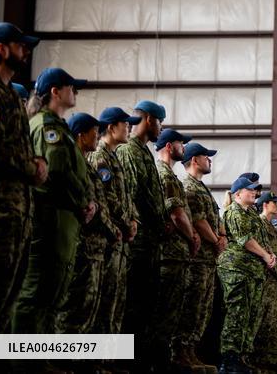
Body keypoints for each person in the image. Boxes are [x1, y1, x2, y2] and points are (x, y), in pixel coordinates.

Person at [0, 22, 46, 333]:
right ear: (1, 49)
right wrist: (34, 167)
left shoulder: (10, 95)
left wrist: (34, 162)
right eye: (19, 45)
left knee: (5, 304)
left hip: (15, 214)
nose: (25, 51)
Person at [13, 68, 96, 334]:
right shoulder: (47, 126)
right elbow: (59, 172)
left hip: (63, 217)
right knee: (37, 291)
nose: (75, 92)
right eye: (71, 87)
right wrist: (84, 201)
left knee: (54, 292)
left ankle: (41, 359)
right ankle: (23, 362)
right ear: (55, 91)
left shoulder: (58, 127)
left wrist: (87, 202)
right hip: (52, 216)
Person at [55, 112, 118, 335]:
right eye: (94, 132)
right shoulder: (78, 164)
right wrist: (114, 231)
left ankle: (81, 362)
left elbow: (100, 204)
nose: (97, 136)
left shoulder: (86, 166)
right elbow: (90, 207)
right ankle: (63, 361)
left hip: (97, 248)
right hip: (83, 246)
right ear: (81, 135)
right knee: (75, 307)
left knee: (90, 310)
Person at [118, 99, 167, 361]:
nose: (161, 128)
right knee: (133, 304)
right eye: (160, 121)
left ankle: (137, 359)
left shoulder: (143, 151)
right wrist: (158, 222)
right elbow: (132, 196)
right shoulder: (130, 151)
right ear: (149, 119)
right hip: (138, 242)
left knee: (145, 304)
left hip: (150, 242)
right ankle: (126, 360)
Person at [89, 106, 139, 335]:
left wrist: (134, 219)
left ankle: (109, 360)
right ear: (110, 127)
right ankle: (97, 361)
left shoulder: (114, 156)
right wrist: (126, 221)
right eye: (125, 124)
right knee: (105, 300)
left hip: (121, 237)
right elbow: (107, 196)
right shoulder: (100, 156)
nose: (129, 128)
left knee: (117, 302)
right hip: (110, 236)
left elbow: (126, 196)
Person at [218, 175, 275, 374]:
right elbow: (246, 240)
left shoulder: (250, 213)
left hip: (253, 271)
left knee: (250, 315)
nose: (255, 193)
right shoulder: (234, 212)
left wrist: (269, 254)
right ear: (237, 194)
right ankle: (229, 359)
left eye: (256, 189)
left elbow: (259, 239)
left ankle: (242, 356)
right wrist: (265, 256)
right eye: (250, 189)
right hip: (237, 270)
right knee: (236, 314)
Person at [155, 127, 200, 369]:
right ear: (170, 147)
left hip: (177, 254)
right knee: (165, 313)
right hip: (170, 254)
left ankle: (166, 359)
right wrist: (192, 235)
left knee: (173, 312)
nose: (184, 148)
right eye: (181, 144)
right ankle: (161, 361)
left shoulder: (171, 175)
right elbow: (176, 213)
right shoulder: (164, 174)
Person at [180, 141, 225, 371]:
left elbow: (216, 220)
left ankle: (192, 350)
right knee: (193, 306)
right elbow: (198, 220)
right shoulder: (188, 186)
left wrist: (222, 236)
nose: (210, 160)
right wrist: (217, 240)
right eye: (206, 156)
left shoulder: (203, 187)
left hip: (209, 260)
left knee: (203, 308)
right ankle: (182, 351)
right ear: (194, 160)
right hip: (197, 261)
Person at [253, 190, 277, 371]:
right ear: (265, 204)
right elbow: (266, 255)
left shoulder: (271, 228)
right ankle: (258, 365)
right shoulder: (259, 223)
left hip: (274, 284)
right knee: (261, 324)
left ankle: (269, 365)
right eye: (274, 202)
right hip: (265, 281)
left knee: (273, 325)